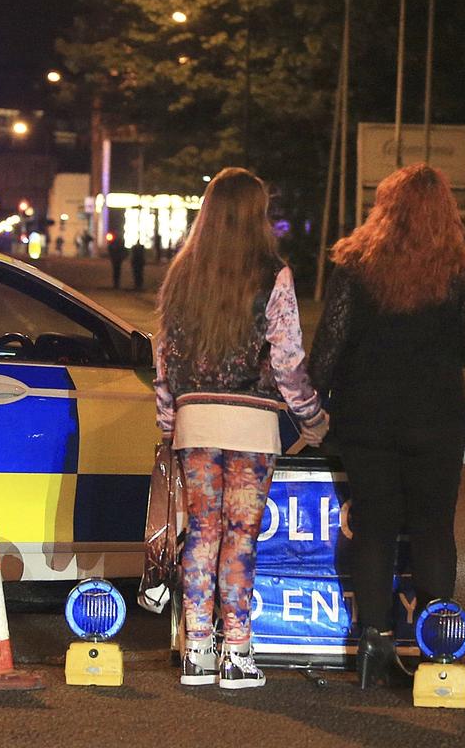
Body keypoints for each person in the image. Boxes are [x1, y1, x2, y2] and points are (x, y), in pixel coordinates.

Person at [309, 163, 465, 689]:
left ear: (384, 209)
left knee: (375, 530)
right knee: (434, 530)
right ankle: (438, 649)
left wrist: (312, 405)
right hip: (434, 419)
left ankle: (372, 645)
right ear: (447, 217)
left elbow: (326, 354)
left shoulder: (354, 266)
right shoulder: (460, 273)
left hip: (367, 418)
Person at [154, 167, 329, 689]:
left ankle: (197, 650)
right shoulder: (273, 275)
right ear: (258, 213)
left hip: (196, 420)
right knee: (240, 538)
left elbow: (163, 358)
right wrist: (313, 419)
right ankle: (238, 653)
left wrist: (169, 421)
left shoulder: (182, 274)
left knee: (202, 532)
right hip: (253, 423)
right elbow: (288, 362)